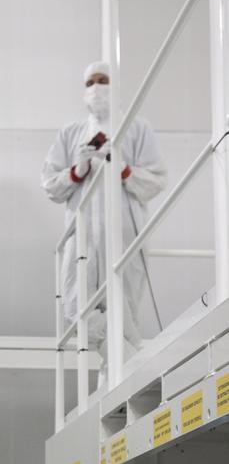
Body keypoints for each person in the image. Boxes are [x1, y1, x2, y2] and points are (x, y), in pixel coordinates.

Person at [41, 60, 166, 353]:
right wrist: (77, 171)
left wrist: (123, 168)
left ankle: (121, 364)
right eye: (89, 83)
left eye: (102, 80)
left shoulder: (136, 128)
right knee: (76, 307)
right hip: (81, 236)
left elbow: (156, 180)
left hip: (125, 235)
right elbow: (50, 184)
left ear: (115, 85)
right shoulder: (71, 134)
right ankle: (129, 350)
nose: (96, 88)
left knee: (125, 304)